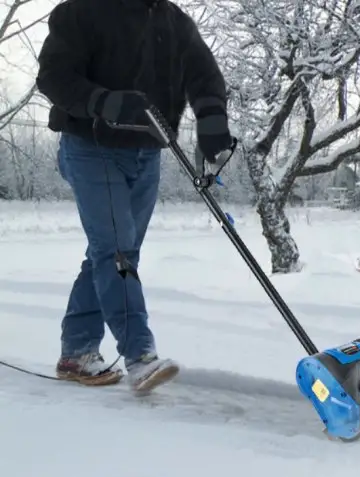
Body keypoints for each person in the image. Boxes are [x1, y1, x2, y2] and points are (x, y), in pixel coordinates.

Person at [35, 0, 233, 394]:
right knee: (116, 253)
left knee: (114, 253)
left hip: (147, 152)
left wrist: (212, 122)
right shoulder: (81, 11)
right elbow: (54, 77)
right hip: (91, 145)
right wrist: (104, 101)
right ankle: (140, 355)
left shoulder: (174, 21)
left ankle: (76, 351)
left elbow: (205, 77)